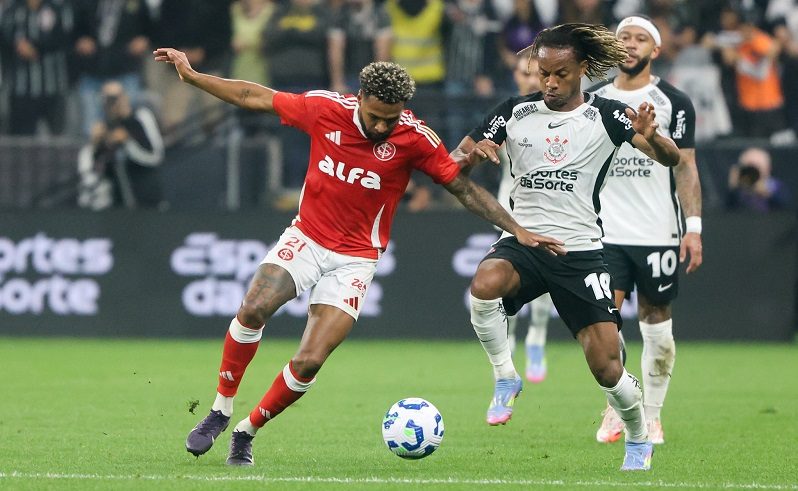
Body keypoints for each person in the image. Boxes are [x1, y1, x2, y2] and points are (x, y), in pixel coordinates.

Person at [152, 47, 564, 467]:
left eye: (391, 118)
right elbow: (252, 95)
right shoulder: (325, 109)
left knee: (310, 361)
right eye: (376, 116)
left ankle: (247, 430)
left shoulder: (415, 137)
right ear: (360, 97)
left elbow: (461, 187)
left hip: (356, 259)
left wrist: (516, 228)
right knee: (253, 307)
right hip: (307, 237)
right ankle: (221, 409)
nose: (383, 126)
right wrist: (194, 76)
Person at [451, 23, 680, 471]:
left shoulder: (608, 115)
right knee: (484, 283)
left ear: (582, 70)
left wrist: (653, 136)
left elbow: (670, 158)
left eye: (560, 74)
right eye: (543, 74)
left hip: (579, 251)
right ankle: (506, 376)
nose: (550, 83)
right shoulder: (513, 112)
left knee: (607, 369)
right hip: (524, 241)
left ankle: (637, 437)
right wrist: (473, 154)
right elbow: (457, 164)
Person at [588, 15, 703, 446]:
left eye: (640, 39)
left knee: (657, 323)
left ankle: (652, 415)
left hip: (657, 230)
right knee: (604, 322)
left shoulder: (674, 102)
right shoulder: (595, 99)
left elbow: (686, 166)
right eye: (624, 38)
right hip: (603, 230)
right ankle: (619, 405)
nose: (631, 45)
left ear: (655, 50)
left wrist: (693, 227)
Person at [498, 55, 554, 383]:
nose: (531, 80)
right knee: (508, 277)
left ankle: (537, 337)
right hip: (509, 208)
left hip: (548, 206)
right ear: (516, 76)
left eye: (537, 74)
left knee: (545, 278)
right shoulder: (507, 113)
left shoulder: (559, 113)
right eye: (525, 73)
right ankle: (509, 339)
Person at [77, 80, 165, 210]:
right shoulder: (105, 127)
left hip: (147, 196)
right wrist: (94, 144)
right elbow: (90, 171)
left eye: (114, 98)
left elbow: (155, 156)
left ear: (125, 97)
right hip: (117, 202)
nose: (112, 104)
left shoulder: (140, 117)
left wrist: (127, 141)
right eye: (106, 99)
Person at [726, 146, 792, 211]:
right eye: (750, 167)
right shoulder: (738, 190)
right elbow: (727, 208)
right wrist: (733, 187)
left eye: (757, 166)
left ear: (768, 169)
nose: (753, 172)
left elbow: (784, 206)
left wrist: (765, 192)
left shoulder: (775, 186)